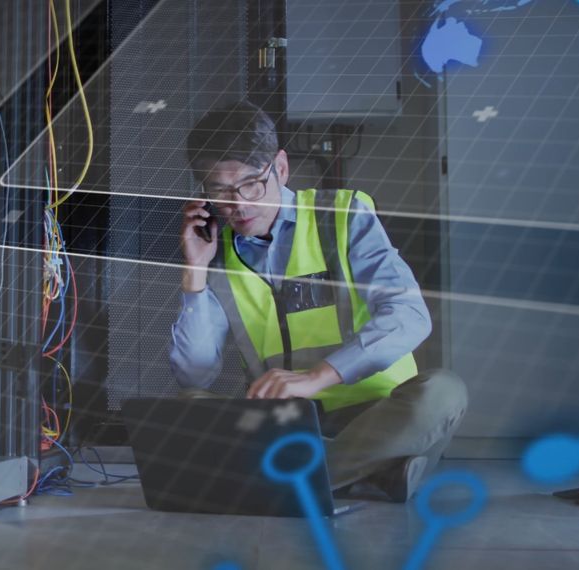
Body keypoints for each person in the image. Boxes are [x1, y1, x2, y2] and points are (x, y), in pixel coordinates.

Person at [168, 100, 468, 502]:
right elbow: (195, 377)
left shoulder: (342, 215)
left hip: (375, 411)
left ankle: (279, 480)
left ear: (281, 167)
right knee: (189, 405)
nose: (238, 205)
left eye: (250, 185)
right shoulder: (215, 251)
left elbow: (410, 316)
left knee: (443, 392)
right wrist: (195, 275)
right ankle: (370, 472)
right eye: (219, 192)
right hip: (282, 425)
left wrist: (317, 377)